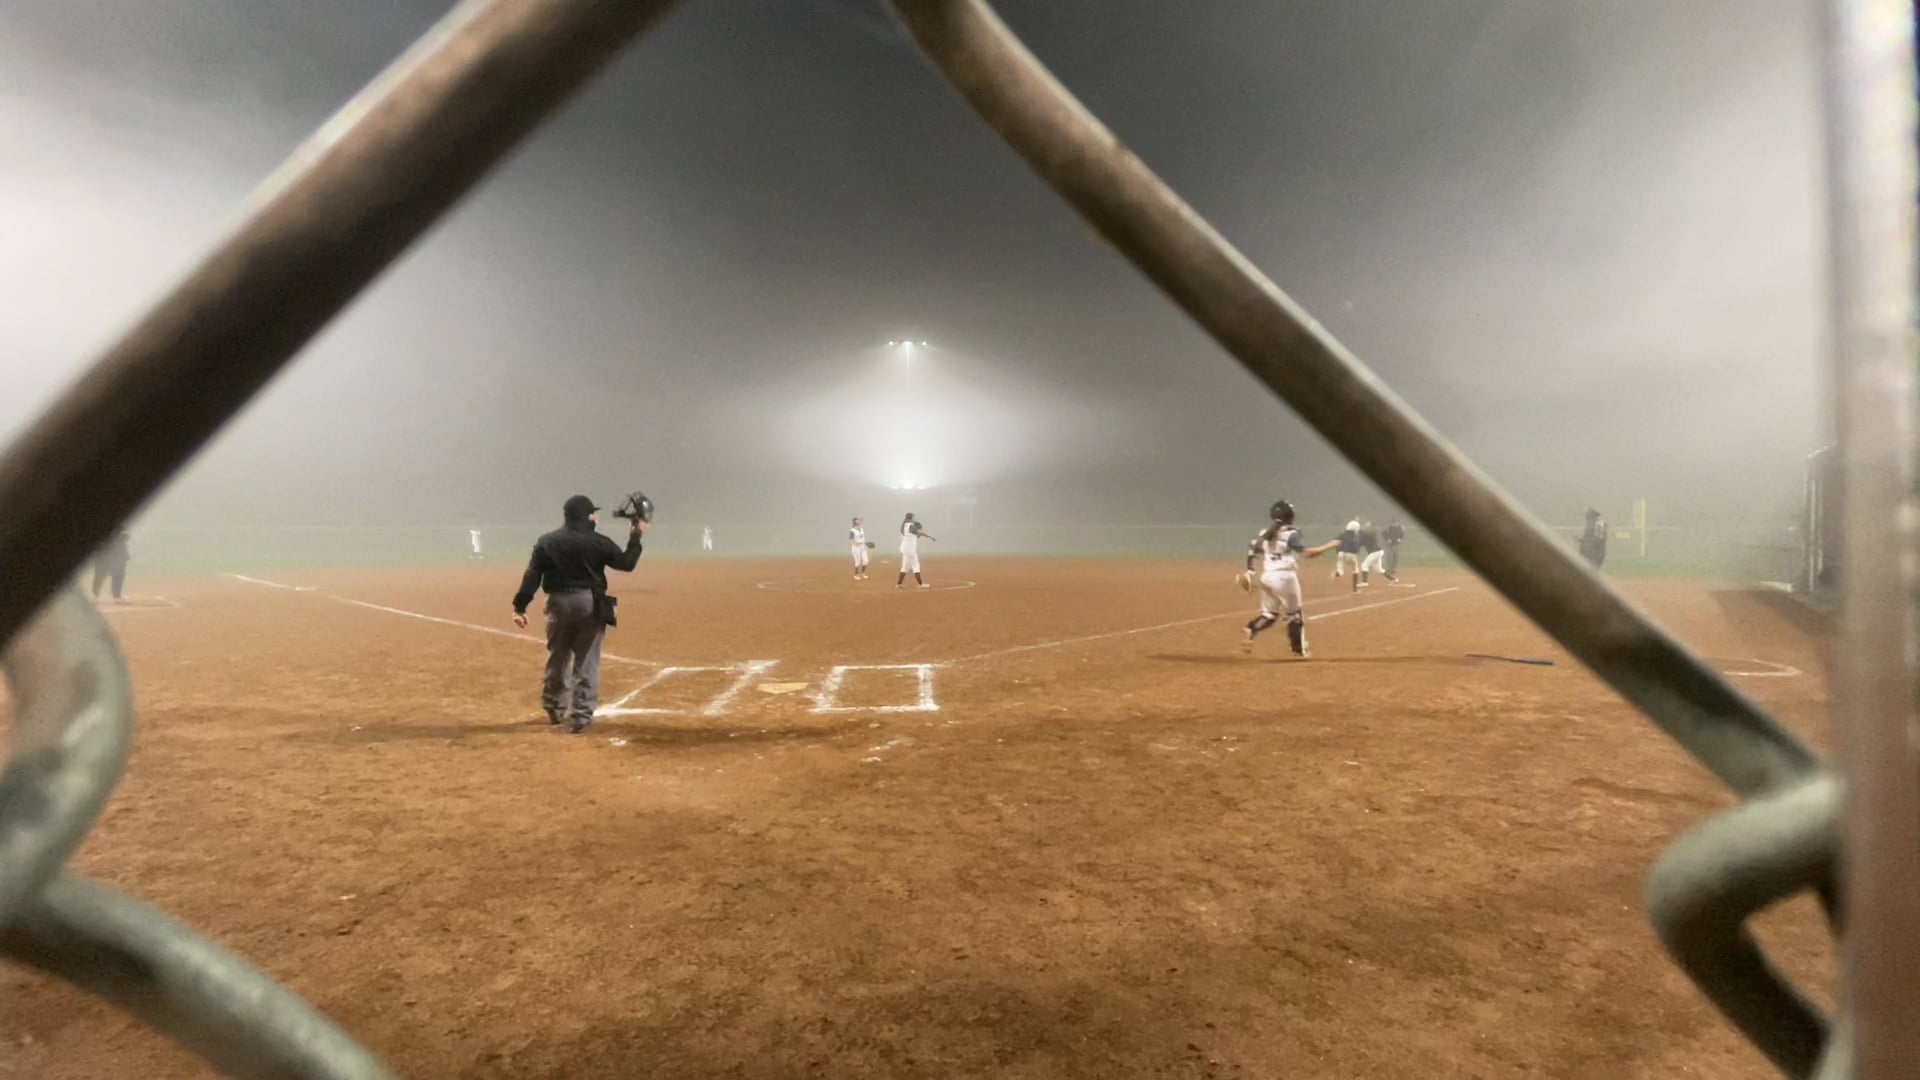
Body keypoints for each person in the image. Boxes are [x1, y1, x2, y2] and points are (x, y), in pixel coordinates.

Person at [510, 495, 646, 734]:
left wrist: (520, 606)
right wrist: (636, 536)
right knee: (586, 659)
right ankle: (580, 716)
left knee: (558, 655)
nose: (596, 516)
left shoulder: (547, 541)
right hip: (588, 602)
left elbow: (532, 576)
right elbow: (627, 563)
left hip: (557, 602)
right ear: (587, 515)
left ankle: (554, 708)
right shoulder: (598, 541)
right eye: (594, 512)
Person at [1239, 500, 1340, 657]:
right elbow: (1307, 554)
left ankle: (1251, 628)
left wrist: (1250, 570)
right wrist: (1330, 545)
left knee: (1269, 614)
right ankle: (1298, 650)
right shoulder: (1290, 534)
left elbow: (1252, 550)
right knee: (1295, 615)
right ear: (1289, 516)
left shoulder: (1263, 534)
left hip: (1267, 577)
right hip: (1284, 578)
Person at [897, 512, 936, 589]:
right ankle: (920, 584)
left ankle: (899, 584)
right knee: (915, 565)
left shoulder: (904, 525)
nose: (914, 518)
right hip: (909, 549)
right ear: (911, 518)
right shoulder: (910, 526)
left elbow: (915, 535)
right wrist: (930, 536)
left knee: (905, 567)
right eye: (913, 517)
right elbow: (919, 533)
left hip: (904, 548)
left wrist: (920, 533)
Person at [92, 528, 131, 604]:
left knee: (119, 575)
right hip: (103, 553)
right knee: (99, 575)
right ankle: (95, 594)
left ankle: (117, 596)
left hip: (118, 554)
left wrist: (123, 535)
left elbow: (127, 535)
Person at [1356, 519, 1385, 590]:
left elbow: (1363, 534)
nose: (1366, 526)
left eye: (1368, 525)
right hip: (1378, 551)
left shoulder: (1372, 532)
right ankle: (1393, 579)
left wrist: (1358, 529)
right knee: (1379, 569)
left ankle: (1364, 582)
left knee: (1364, 565)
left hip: (1375, 552)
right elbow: (1360, 542)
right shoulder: (1367, 535)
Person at [1332, 518, 1362, 582]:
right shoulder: (1355, 536)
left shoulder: (1341, 534)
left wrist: (1338, 551)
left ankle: (1339, 572)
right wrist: (1357, 552)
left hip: (1341, 553)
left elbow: (1335, 542)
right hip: (1350, 553)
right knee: (1355, 569)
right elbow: (1356, 546)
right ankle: (1355, 587)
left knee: (1340, 562)